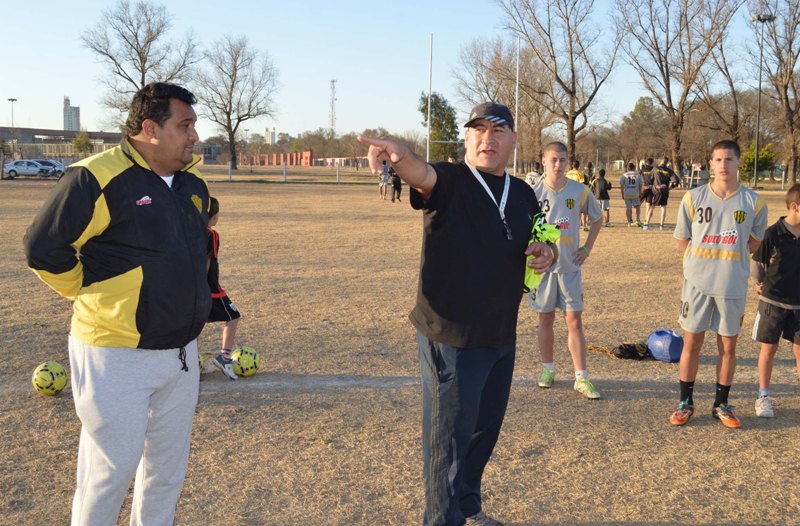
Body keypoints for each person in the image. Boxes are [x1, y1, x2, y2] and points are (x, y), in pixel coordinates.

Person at [358, 101, 557, 526]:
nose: (488, 138)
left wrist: (549, 252)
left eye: (498, 130)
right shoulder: (450, 180)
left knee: (484, 433)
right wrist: (401, 155)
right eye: (479, 129)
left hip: (500, 333)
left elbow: (541, 237)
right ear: (466, 137)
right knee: (448, 442)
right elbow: (420, 174)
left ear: (513, 140)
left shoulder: (522, 192)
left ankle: (467, 505)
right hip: (450, 336)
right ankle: (442, 519)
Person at [23, 82, 210, 525]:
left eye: (194, 126)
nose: (193, 136)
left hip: (182, 353)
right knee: (108, 475)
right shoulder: (95, 176)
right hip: (114, 353)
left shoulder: (193, 185)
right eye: (184, 126)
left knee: (166, 474)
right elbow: (42, 248)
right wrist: (86, 292)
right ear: (150, 128)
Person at [669, 140, 768, 429]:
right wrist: (700, 263)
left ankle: (721, 403)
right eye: (717, 159)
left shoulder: (754, 202)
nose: (723, 165)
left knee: (728, 344)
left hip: (732, 284)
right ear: (710, 163)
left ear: (739, 163)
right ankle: (685, 402)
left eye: (729, 159)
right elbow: (682, 239)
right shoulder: (693, 198)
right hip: (697, 284)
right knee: (692, 342)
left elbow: (754, 243)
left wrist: (728, 258)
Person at [530, 141, 604, 400]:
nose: (558, 165)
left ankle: (581, 378)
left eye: (562, 159)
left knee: (574, 321)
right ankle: (548, 370)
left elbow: (597, 218)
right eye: (553, 160)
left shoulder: (580, 191)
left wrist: (586, 249)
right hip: (542, 271)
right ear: (543, 161)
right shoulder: (533, 192)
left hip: (570, 268)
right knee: (545, 319)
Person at [750, 183, 800, 418]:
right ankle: (764, 395)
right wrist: (759, 284)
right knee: (769, 349)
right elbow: (758, 262)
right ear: (794, 207)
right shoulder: (773, 233)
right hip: (774, 302)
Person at [206, 196, 243, 380]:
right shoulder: (211, 234)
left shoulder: (189, 232)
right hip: (211, 290)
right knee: (233, 316)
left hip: (192, 288)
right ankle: (225, 357)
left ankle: (189, 364)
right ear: (213, 218)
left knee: (195, 327)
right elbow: (207, 259)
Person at [649, 157, 679, 230]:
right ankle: (661, 225)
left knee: (652, 207)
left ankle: (646, 223)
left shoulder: (655, 169)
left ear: (661, 161)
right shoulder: (669, 171)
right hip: (665, 191)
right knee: (663, 207)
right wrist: (670, 188)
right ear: (667, 163)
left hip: (656, 191)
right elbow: (676, 181)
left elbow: (651, 178)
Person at [620, 162, 643, 227]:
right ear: (634, 168)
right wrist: (640, 193)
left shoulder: (624, 175)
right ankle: (638, 219)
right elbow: (640, 185)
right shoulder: (637, 174)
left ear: (628, 168)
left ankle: (629, 222)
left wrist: (622, 194)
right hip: (635, 193)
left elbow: (621, 185)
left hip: (627, 193)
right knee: (637, 206)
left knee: (628, 208)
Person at [639, 158, 656, 229]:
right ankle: (646, 221)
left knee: (637, 204)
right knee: (648, 206)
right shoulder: (654, 169)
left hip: (644, 188)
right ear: (652, 163)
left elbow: (639, 177)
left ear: (646, 162)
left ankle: (637, 219)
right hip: (651, 189)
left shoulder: (642, 170)